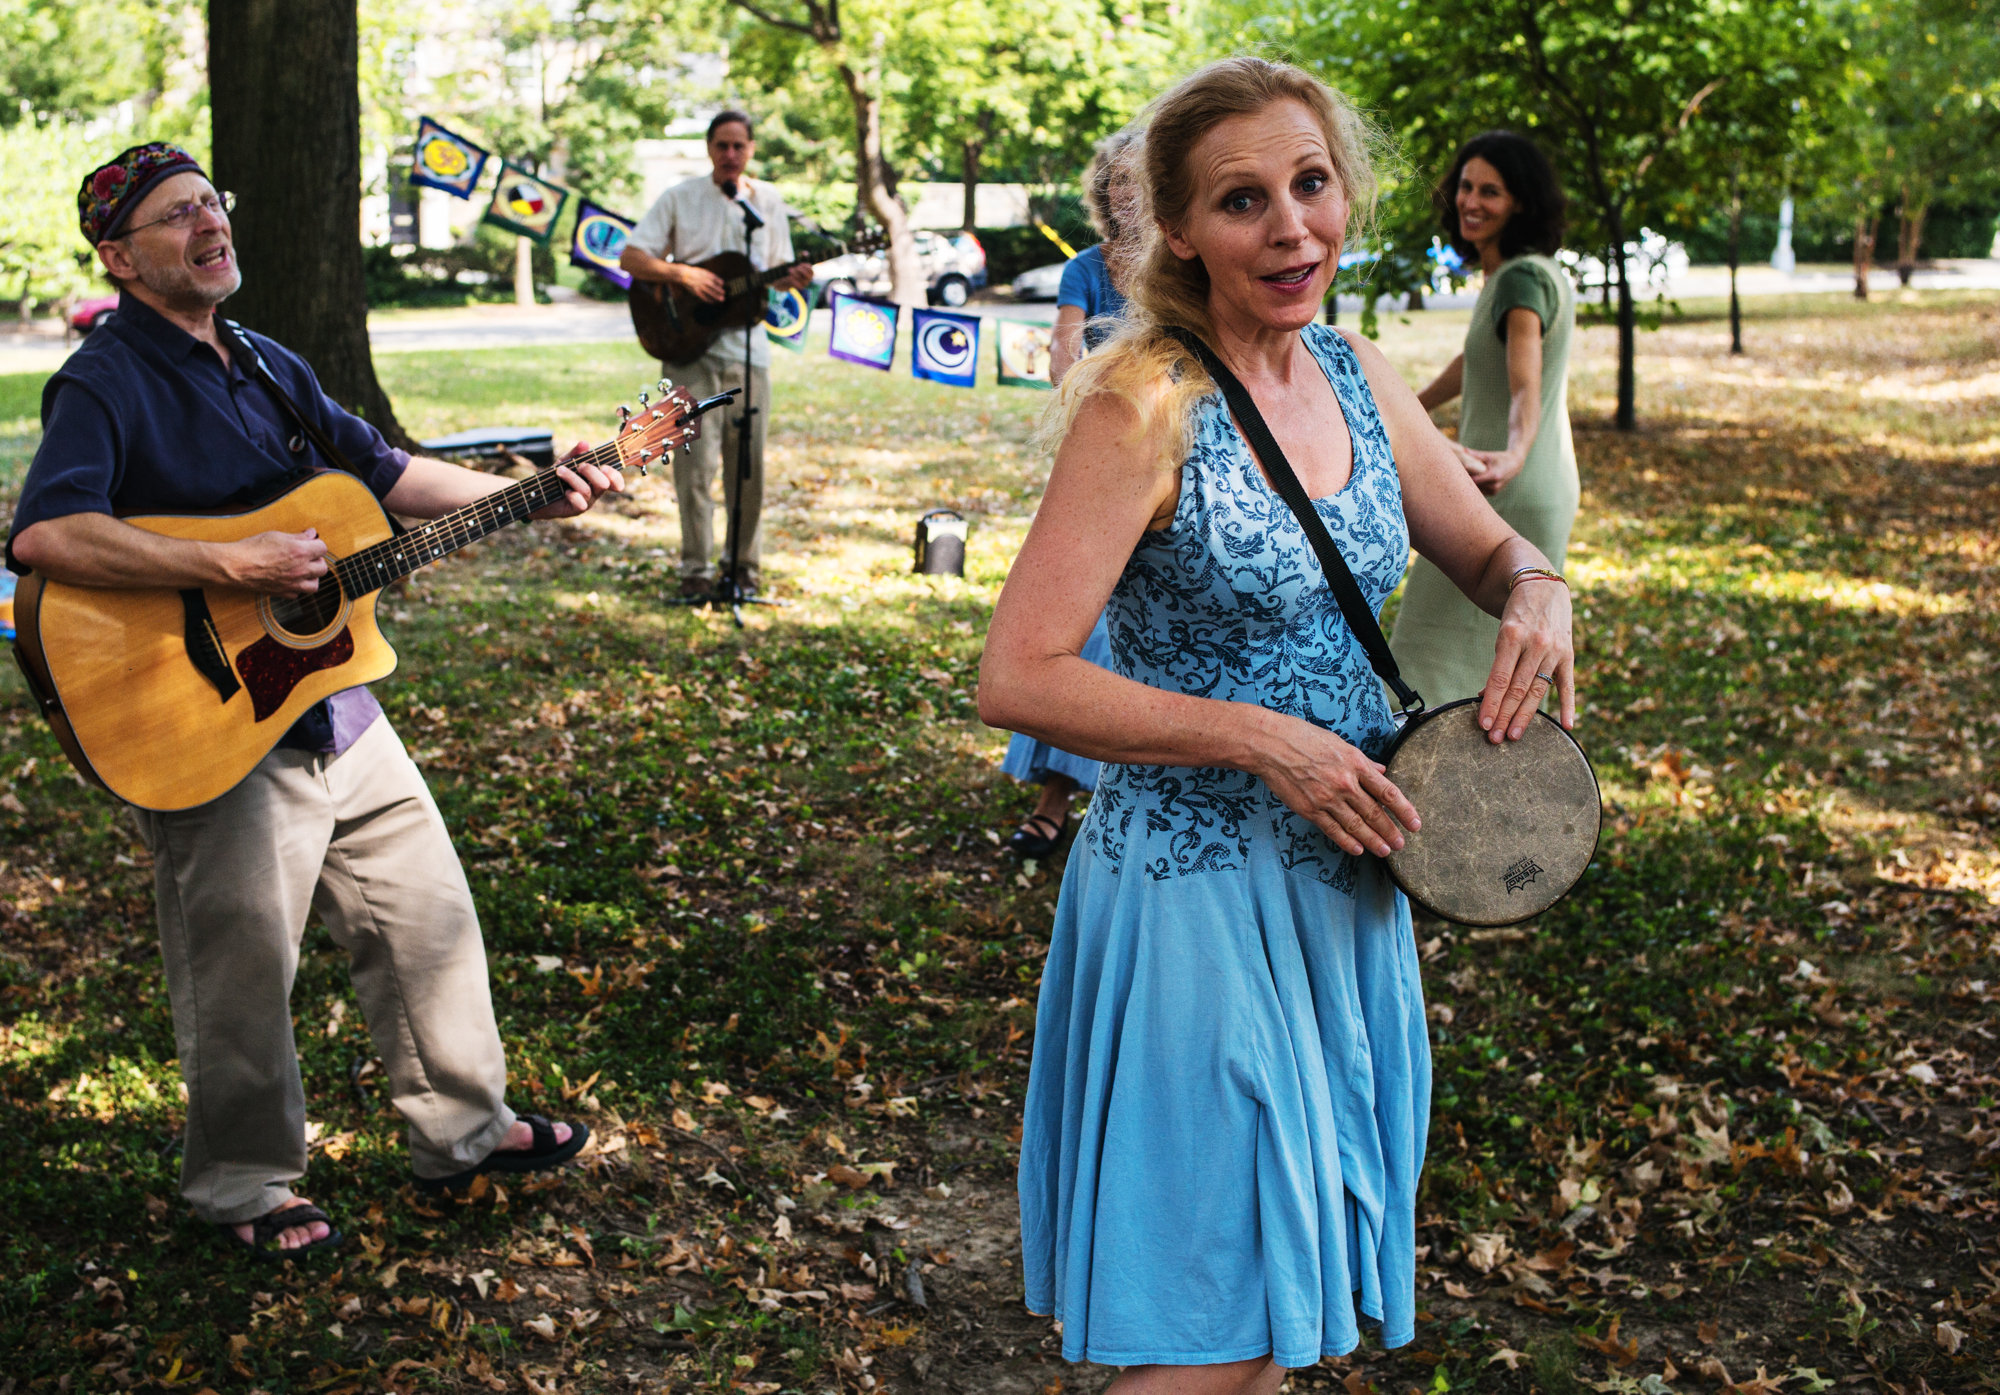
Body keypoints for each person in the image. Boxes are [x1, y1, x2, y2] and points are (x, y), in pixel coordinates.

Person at [979, 58, 1575, 1393]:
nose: (1291, 227)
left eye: (1311, 184)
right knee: (1220, 1324)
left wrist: (1540, 585)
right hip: (1194, 897)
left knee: (1283, 1298)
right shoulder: (1142, 406)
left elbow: (1491, 550)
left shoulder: (1357, 375)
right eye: (1241, 200)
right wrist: (1262, 738)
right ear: (1180, 229)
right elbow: (1017, 675)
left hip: (1343, 888)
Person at [5, 144, 616, 1258]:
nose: (210, 224)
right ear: (121, 259)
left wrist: (533, 493)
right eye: (176, 215)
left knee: (424, 915)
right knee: (240, 969)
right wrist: (228, 566)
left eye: (212, 203)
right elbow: (47, 534)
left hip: (336, 705)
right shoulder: (105, 379)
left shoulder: (264, 358)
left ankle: (465, 1133)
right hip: (208, 724)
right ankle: (243, 1186)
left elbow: (384, 473)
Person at [1392, 132, 1576, 705]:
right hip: (1531, 479)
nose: (1470, 201)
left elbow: (1525, 383)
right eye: (1466, 187)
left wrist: (1515, 453)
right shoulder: (1531, 272)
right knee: (1487, 652)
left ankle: (1434, 749)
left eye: (1490, 191)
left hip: (1502, 483)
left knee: (1431, 648)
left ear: (1521, 202)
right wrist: (1408, 406)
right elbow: (1476, 361)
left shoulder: (1520, 281)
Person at [997, 131, 1138, 858]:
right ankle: (1056, 796)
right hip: (1108, 449)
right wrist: (1086, 387)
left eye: (1140, 177)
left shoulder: (1186, 262)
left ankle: (1125, 786)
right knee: (1078, 628)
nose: (1128, 191)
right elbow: (1063, 349)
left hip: (1184, 457)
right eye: (1117, 180)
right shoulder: (1086, 268)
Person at [619, 110, 813, 599]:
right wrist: (682, 275)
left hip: (749, 353)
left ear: (751, 150)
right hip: (687, 348)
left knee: (748, 466)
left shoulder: (768, 202)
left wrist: (791, 277)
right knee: (694, 466)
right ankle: (696, 569)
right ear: (709, 148)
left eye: (738, 146)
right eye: (721, 145)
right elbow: (631, 257)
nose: (730, 154)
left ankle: (743, 566)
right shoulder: (679, 198)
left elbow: (775, 272)